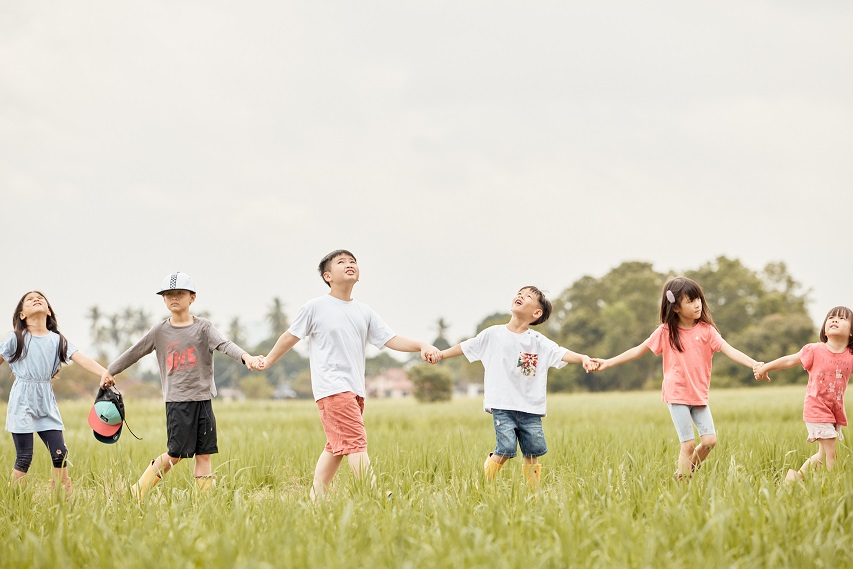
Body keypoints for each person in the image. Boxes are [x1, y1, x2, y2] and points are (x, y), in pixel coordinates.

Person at [254, 249, 439, 501]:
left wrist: (421, 345)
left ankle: (316, 500)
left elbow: (391, 339)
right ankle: (374, 495)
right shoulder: (315, 307)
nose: (349, 264)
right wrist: (268, 360)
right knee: (355, 441)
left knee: (336, 446)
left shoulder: (364, 311)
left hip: (354, 390)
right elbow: (290, 336)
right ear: (327, 276)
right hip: (333, 388)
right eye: (341, 262)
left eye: (353, 261)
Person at [102, 272, 261, 500]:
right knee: (175, 454)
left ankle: (204, 502)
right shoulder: (159, 331)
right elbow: (135, 351)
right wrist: (110, 370)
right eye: (169, 295)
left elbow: (225, 345)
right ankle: (136, 492)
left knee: (204, 453)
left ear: (192, 297)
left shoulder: (204, 327)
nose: (174, 298)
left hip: (203, 400)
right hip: (177, 401)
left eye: (179, 293)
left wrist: (247, 358)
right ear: (163, 299)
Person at [592, 276, 763, 481]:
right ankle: (683, 484)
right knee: (688, 445)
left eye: (698, 299)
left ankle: (683, 474)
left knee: (709, 441)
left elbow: (729, 350)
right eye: (690, 301)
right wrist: (608, 362)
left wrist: (754, 364)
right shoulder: (666, 331)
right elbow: (638, 350)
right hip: (677, 393)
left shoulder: (707, 331)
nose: (697, 304)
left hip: (699, 395)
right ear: (675, 308)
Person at [432, 286, 596, 488]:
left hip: (531, 408)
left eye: (528, 296)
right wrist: (441, 354)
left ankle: (533, 492)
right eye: (520, 293)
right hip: (502, 405)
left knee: (533, 452)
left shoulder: (538, 342)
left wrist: (583, 358)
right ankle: (483, 484)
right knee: (506, 448)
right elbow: (466, 346)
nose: (520, 296)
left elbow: (560, 353)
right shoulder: (493, 334)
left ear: (536, 313)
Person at [1, 291, 114, 493]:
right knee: (24, 457)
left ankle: (62, 500)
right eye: (29, 299)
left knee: (60, 454)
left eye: (40, 298)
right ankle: (13, 498)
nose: (36, 299)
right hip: (22, 401)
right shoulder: (16, 338)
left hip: (46, 401)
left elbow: (82, 358)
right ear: (22, 315)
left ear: (48, 311)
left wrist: (104, 372)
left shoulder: (58, 340)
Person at [754, 306, 853, 482]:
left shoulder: (850, 356)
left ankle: (794, 478)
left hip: (835, 411)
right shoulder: (814, 350)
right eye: (831, 317)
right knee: (832, 453)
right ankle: (833, 486)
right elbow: (789, 360)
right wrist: (765, 367)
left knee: (822, 455)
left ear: (851, 332)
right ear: (824, 329)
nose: (834, 320)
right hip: (817, 408)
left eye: (842, 318)